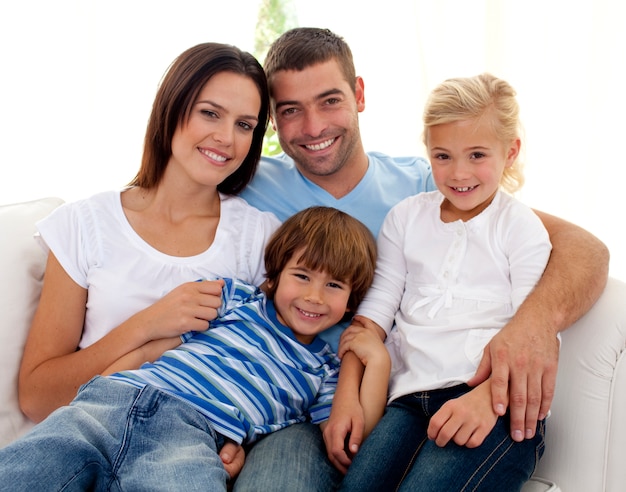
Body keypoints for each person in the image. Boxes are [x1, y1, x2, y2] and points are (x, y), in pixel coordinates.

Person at [236, 27, 609, 490]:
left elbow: (584, 248)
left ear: (359, 94)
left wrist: (533, 326)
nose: (313, 127)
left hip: (425, 394)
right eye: (291, 110)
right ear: (272, 118)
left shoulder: (428, 185)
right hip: (288, 404)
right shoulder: (245, 187)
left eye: (330, 101)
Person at [17, 42, 280, 476]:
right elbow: (37, 396)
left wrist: (240, 438)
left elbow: (266, 367)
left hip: (182, 454)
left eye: (245, 124)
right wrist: (147, 325)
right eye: (210, 113)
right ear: (172, 107)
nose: (226, 138)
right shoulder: (86, 224)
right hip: (84, 434)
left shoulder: (258, 239)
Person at [0, 206, 387, 492]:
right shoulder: (236, 298)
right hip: (117, 399)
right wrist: (101, 385)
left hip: (192, 438)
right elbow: (155, 348)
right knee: (30, 467)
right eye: (301, 276)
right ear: (273, 276)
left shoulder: (322, 368)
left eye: (334, 286)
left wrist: (377, 360)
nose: (313, 296)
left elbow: (352, 435)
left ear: (352, 301)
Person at [339, 72, 552, 491]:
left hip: (493, 404)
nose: (459, 173)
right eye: (442, 156)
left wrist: (490, 399)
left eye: (477, 155)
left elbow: (537, 336)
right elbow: (376, 311)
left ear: (510, 152)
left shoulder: (519, 227)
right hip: (407, 402)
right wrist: (347, 392)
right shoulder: (406, 218)